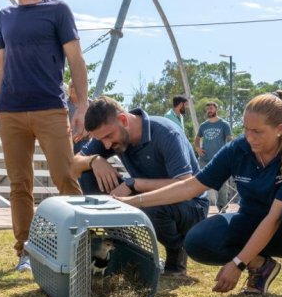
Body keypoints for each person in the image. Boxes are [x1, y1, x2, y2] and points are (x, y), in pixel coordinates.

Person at [118, 91, 282, 297]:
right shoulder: (237, 149)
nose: (249, 137)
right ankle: (261, 267)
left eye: (257, 131)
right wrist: (133, 202)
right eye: (246, 129)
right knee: (197, 241)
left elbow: (274, 219)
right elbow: (190, 187)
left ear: (279, 129)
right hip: (251, 222)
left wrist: (237, 263)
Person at [0, 0, 88, 273]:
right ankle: (25, 251)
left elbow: (76, 59)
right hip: (10, 111)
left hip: (50, 108)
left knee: (65, 176)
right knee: (19, 184)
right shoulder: (5, 16)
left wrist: (83, 107)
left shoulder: (58, 10)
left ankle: (81, 248)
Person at [72, 96, 209, 276]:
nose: (106, 145)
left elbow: (186, 185)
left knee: (152, 205)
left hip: (190, 205)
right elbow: (72, 164)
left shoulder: (166, 133)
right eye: (101, 140)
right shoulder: (109, 134)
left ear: (122, 120)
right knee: (89, 175)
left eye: (108, 137)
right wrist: (94, 160)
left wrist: (133, 183)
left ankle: (176, 250)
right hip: (143, 196)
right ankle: (128, 249)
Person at [194, 101, 232, 212]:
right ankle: (198, 206)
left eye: (211, 108)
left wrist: (231, 151)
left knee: (222, 186)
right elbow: (197, 139)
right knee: (198, 182)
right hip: (204, 159)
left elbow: (229, 139)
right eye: (207, 109)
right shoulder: (204, 125)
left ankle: (222, 208)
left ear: (216, 109)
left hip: (220, 159)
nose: (209, 110)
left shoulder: (224, 124)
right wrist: (198, 148)